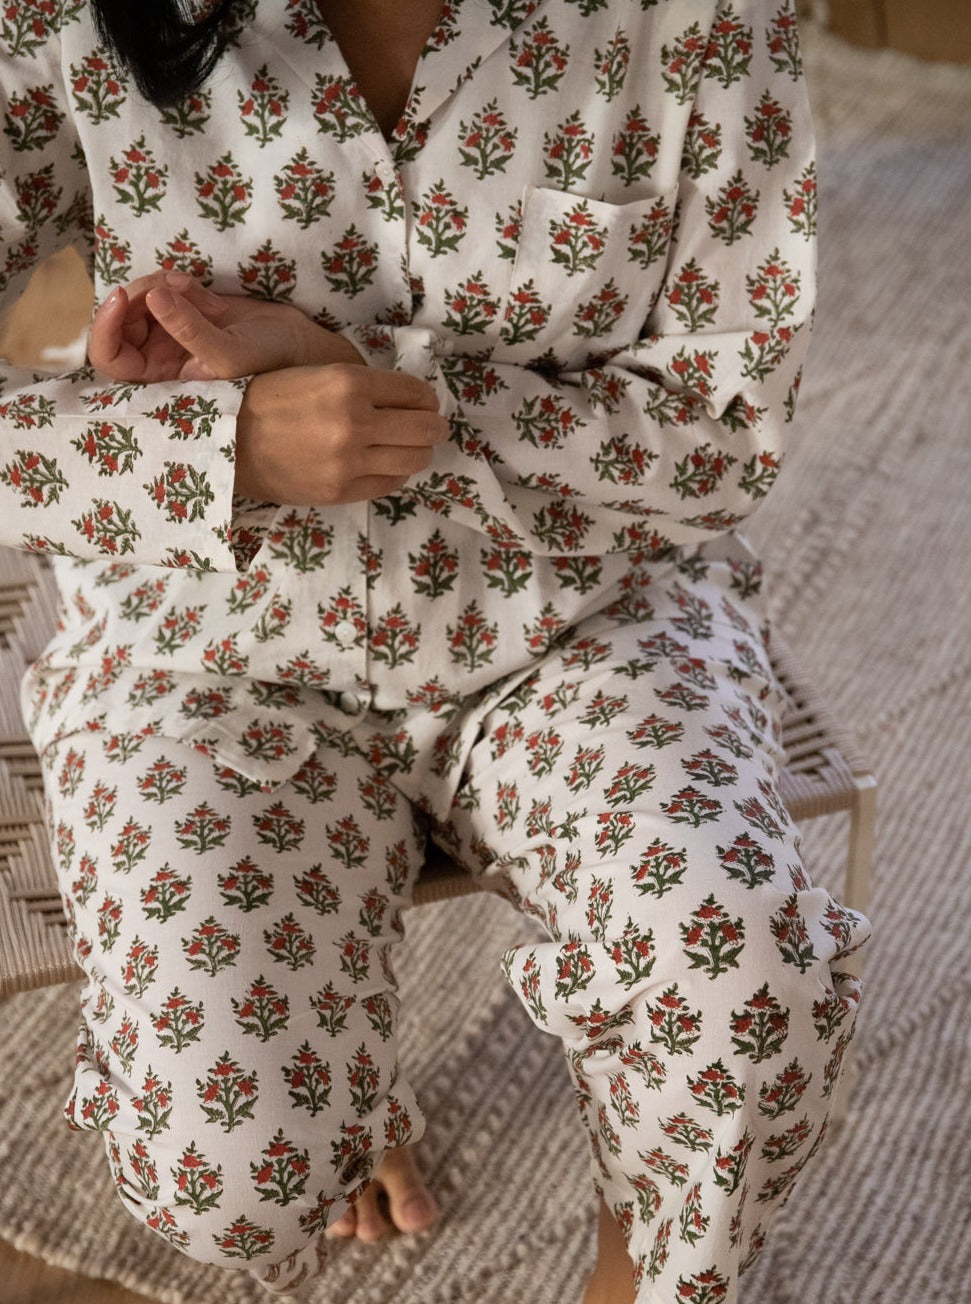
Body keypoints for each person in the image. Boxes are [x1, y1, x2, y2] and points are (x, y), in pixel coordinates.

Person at [0, 1, 871, 1300]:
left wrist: (377, 387)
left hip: (583, 609)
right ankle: (334, 1065)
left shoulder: (706, 19)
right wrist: (219, 450)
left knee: (748, 987)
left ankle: (632, 1228)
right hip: (209, 635)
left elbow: (721, 434)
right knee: (228, 1175)